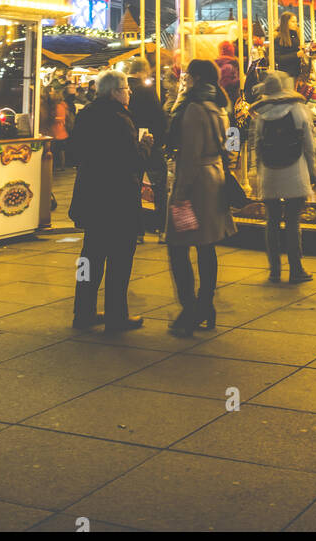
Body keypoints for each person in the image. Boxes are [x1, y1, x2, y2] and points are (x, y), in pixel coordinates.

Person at [67, 69, 149, 332]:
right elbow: (132, 161)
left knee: (89, 258)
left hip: (91, 196)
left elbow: (74, 154)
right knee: (119, 258)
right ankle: (116, 315)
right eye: (126, 88)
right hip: (117, 198)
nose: (130, 92)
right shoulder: (120, 119)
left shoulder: (87, 115)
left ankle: (83, 310)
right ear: (115, 91)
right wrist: (145, 144)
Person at [165, 58, 236, 336]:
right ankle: (206, 305)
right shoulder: (219, 106)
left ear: (194, 77)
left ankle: (190, 309)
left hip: (193, 189)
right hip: (214, 179)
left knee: (178, 245)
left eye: (187, 76)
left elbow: (191, 156)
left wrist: (179, 194)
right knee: (206, 247)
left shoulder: (194, 109)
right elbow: (230, 145)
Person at [251, 70, 316, 284]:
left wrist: (258, 172)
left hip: (270, 173)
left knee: (271, 221)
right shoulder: (298, 109)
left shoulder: (261, 114)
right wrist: (312, 169)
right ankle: (296, 269)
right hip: (294, 170)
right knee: (292, 221)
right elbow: (308, 143)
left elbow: (257, 146)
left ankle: (274, 270)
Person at [127, 57, 169, 240]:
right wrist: (160, 140)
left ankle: (137, 230)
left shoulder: (124, 88)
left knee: (133, 188)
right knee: (159, 186)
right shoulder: (147, 91)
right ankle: (162, 229)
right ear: (144, 71)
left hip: (129, 144)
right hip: (149, 143)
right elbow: (158, 118)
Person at [274, 11, 302, 80]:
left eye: (296, 22)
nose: (295, 24)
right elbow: (278, 58)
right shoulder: (278, 38)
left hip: (297, 72)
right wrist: (296, 54)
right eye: (293, 22)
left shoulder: (296, 35)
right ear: (285, 23)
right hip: (286, 74)